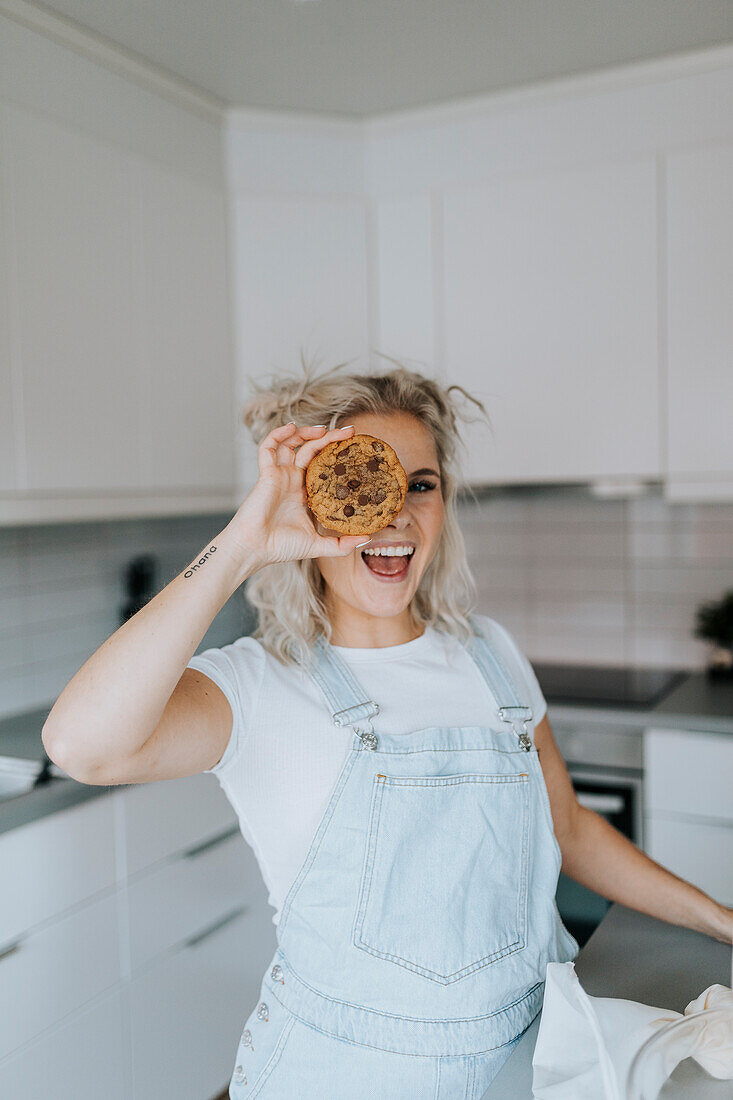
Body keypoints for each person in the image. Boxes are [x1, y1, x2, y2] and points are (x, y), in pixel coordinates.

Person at [43, 358, 733, 1099]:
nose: (398, 511)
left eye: (423, 485)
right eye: (367, 486)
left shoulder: (490, 655)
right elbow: (84, 746)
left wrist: (719, 919)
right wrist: (244, 542)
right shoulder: (258, 684)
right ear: (314, 505)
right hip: (344, 1077)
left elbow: (566, 826)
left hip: (531, 1053)